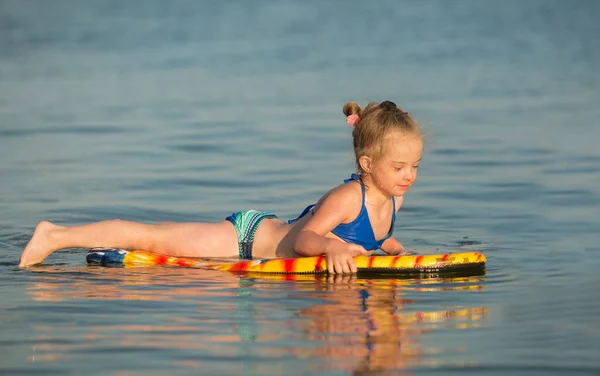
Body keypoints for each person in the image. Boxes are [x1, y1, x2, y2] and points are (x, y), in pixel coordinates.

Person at [19, 100, 423, 274]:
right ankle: (55, 235)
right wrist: (334, 247)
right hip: (246, 239)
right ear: (367, 165)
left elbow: (375, 234)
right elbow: (308, 240)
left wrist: (395, 250)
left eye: (415, 166)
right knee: (153, 239)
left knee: (156, 243)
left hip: (262, 240)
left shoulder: (393, 199)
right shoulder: (348, 196)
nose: (408, 176)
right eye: (399, 166)